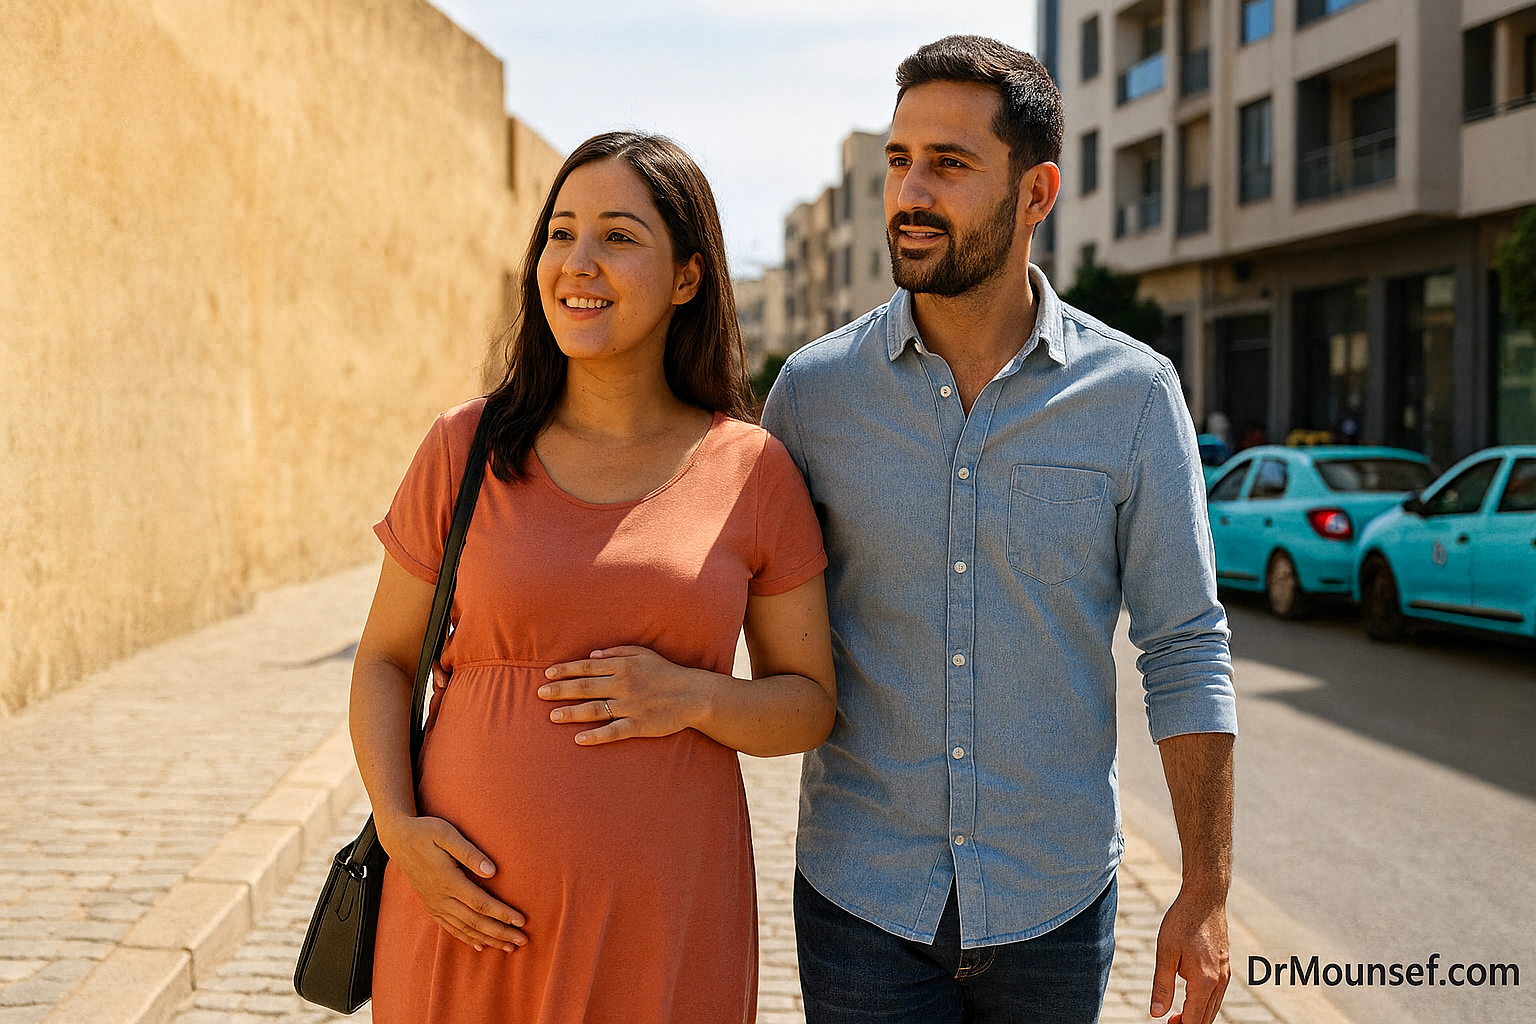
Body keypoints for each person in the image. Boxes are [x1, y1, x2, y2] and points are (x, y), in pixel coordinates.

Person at [762, 36, 1238, 1024]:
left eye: (950, 163)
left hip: (1055, 904)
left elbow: (1186, 646)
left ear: (1037, 192)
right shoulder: (811, 396)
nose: (910, 192)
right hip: (861, 898)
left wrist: (1205, 884)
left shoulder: (1135, 399)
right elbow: (723, 602)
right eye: (899, 161)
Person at [350, 131, 837, 1024]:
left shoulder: (752, 469)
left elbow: (807, 703)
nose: (578, 263)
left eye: (618, 236)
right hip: (462, 921)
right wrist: (400, 830)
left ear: (688, 277)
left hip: (661, 926)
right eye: (560, 233)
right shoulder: (465, 447)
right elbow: (384, 660)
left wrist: (687, 695)